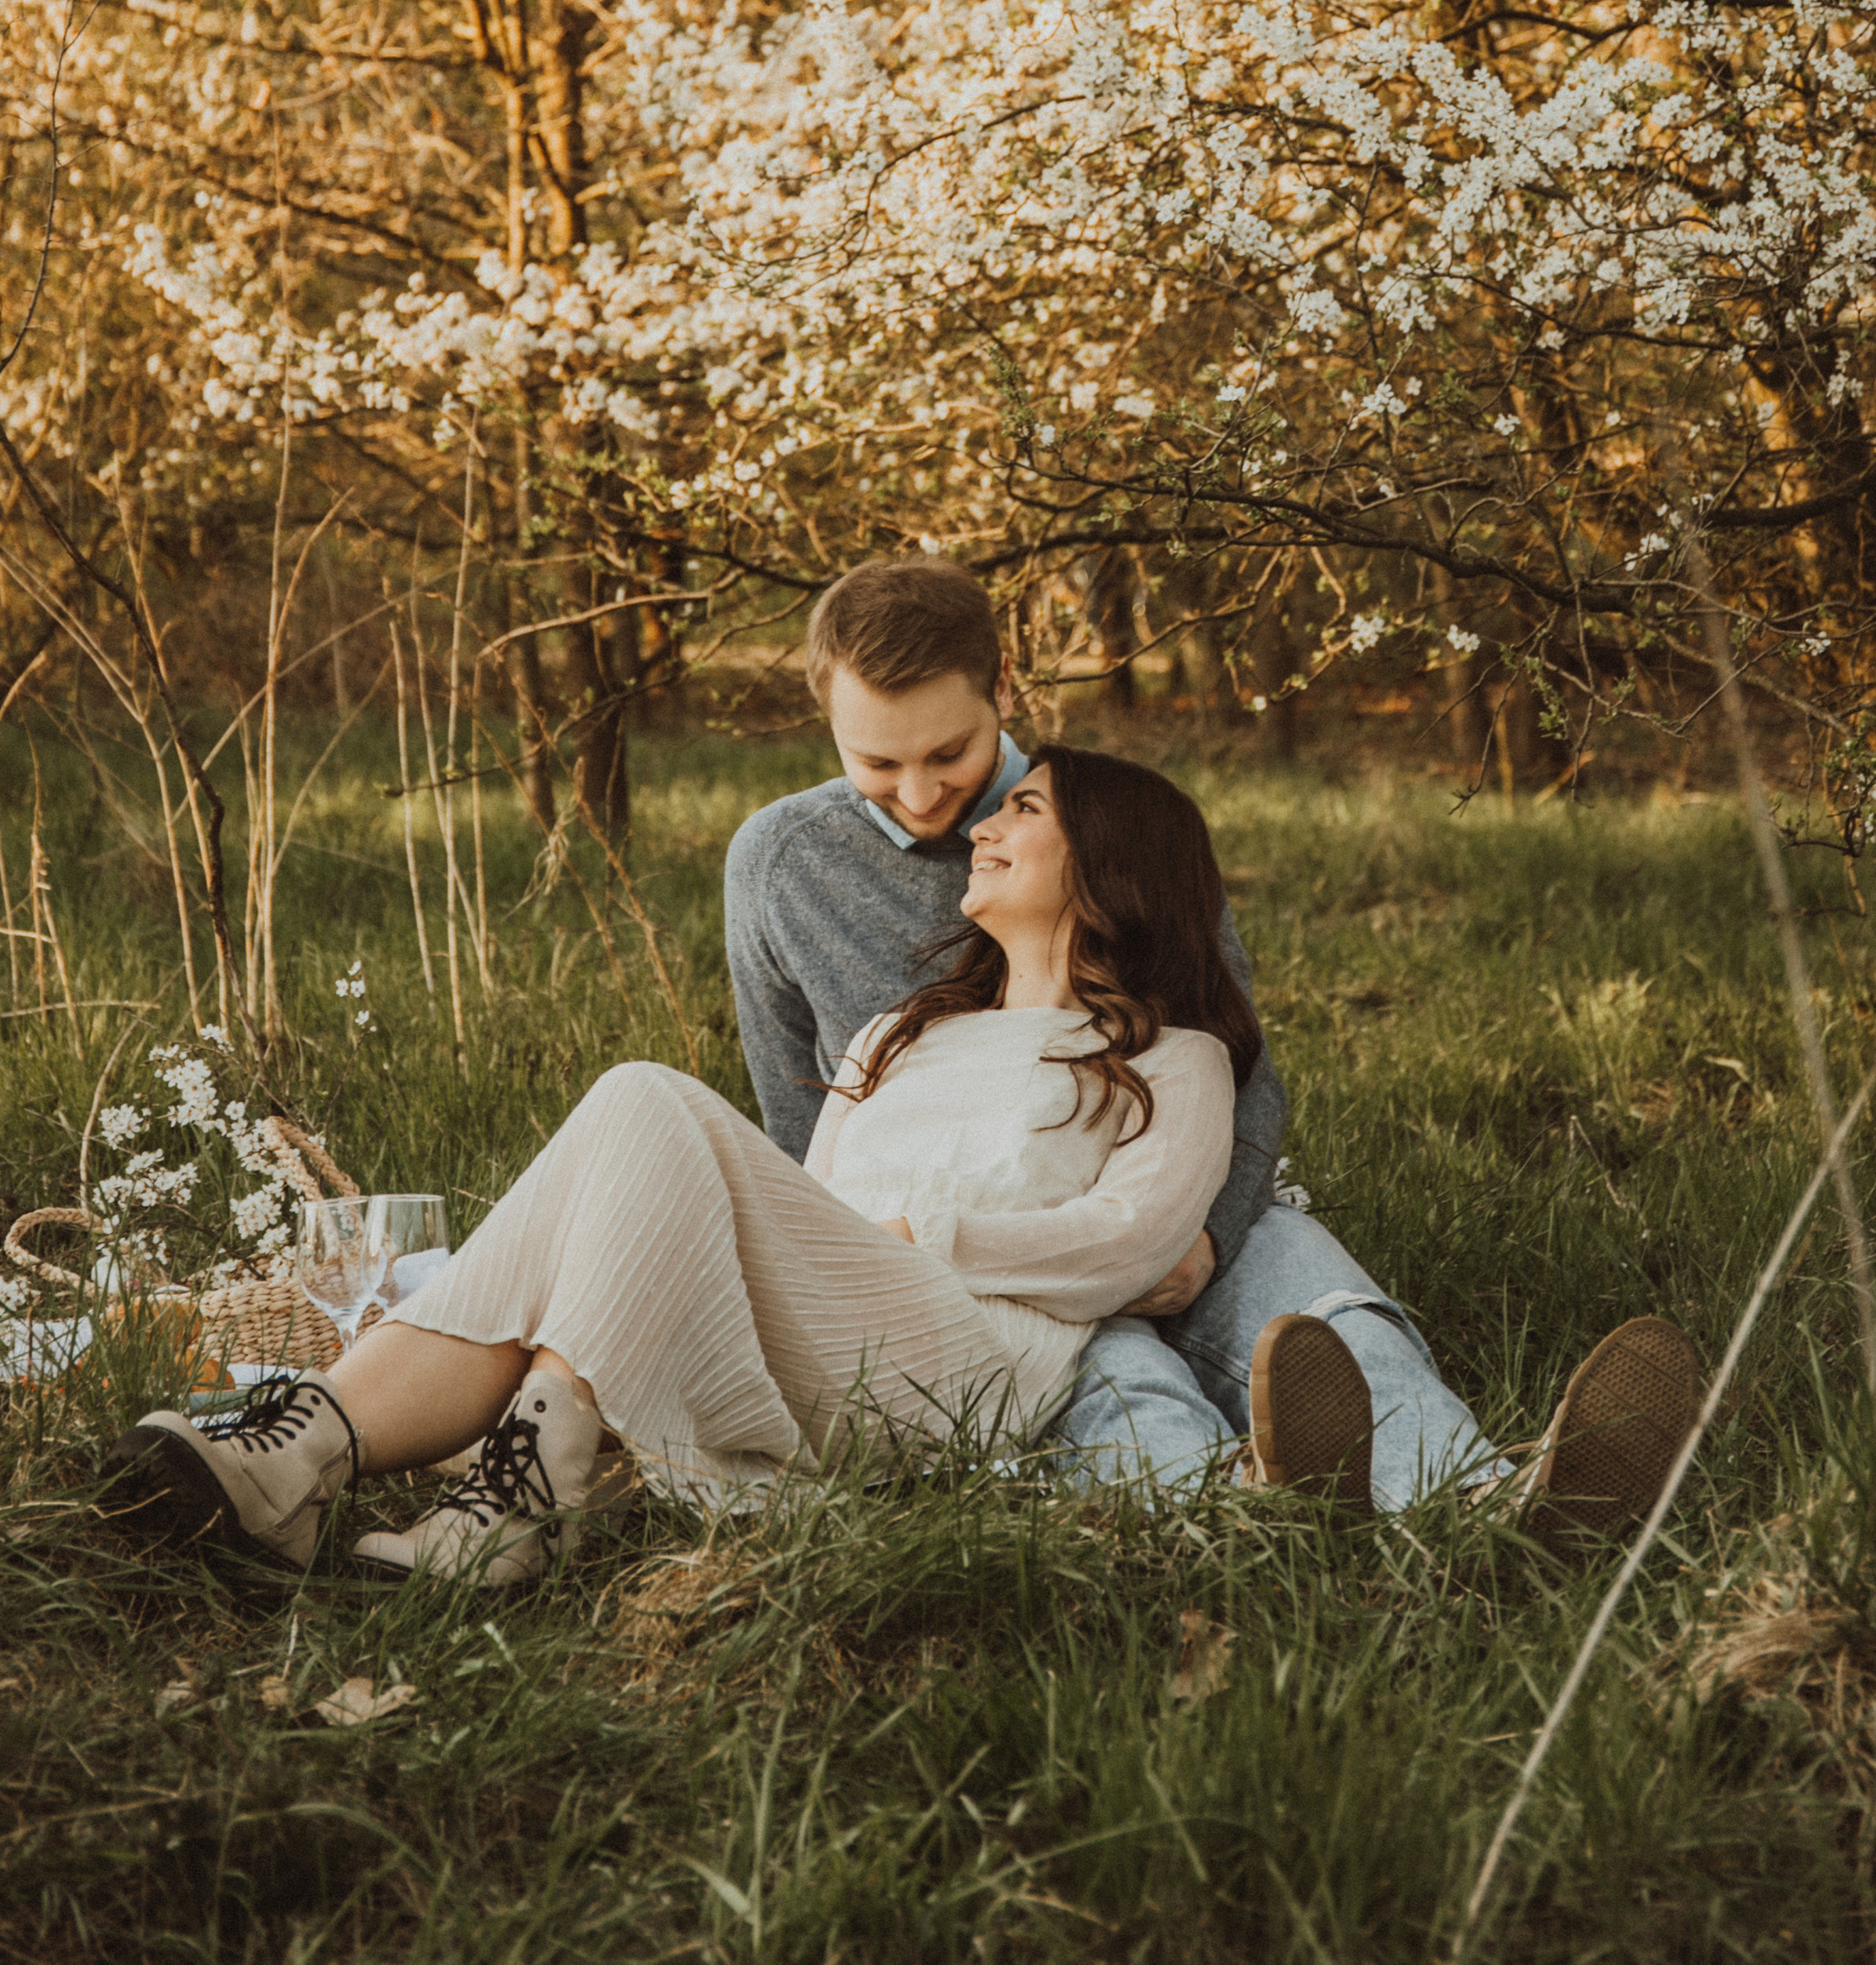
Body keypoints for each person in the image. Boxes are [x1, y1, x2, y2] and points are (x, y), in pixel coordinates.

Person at [101, 745, 1254, 1585]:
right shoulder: (900, 1035)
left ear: (1108, 858)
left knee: (644, 1099)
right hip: (828, 1326)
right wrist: (833, 1247)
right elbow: (816, 1205)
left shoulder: (1174, 1058)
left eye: (1027, 809)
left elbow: (1134, 1243)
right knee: (626, 1136)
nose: (986, 826)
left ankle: (427, 1478)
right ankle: (319, 1454)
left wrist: (934, 1240)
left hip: (963, 1363)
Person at [727, 558, 1698, 1519]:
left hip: (1161, 1173)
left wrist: (1204, 1236)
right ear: (830, 724)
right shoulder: (781, 863)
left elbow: (1233, 1061)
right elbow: (796, 1126)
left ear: (1004, 691)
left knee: (1314, 1305)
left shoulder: (1111, 822)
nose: (924, 795)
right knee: (1111, 1378)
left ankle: (1485, 1496)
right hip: (962, 1248)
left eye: (949, 755)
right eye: (878, 764)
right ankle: (1240, 1508)